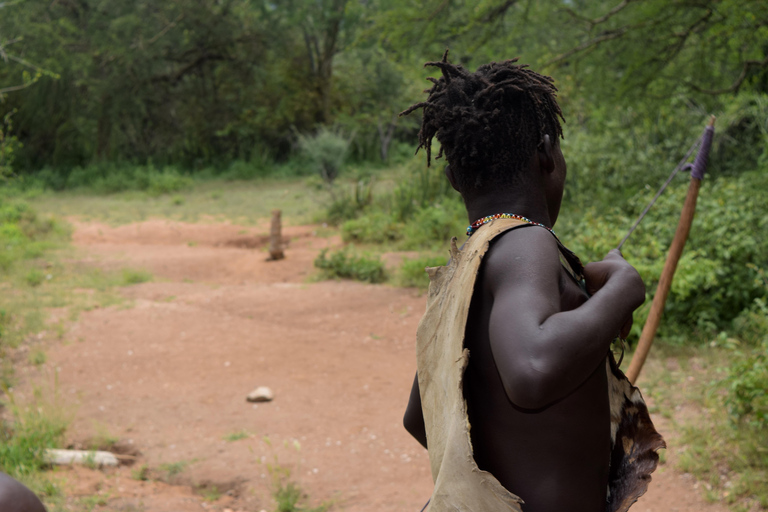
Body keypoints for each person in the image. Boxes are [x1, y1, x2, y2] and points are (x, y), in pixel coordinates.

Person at [401, 52, 665, 512]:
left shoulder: (468, 267)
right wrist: (624, 287)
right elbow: (533, 369)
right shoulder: (527, 242)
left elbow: (421, 415)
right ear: (546, 153)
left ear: (453, 179)